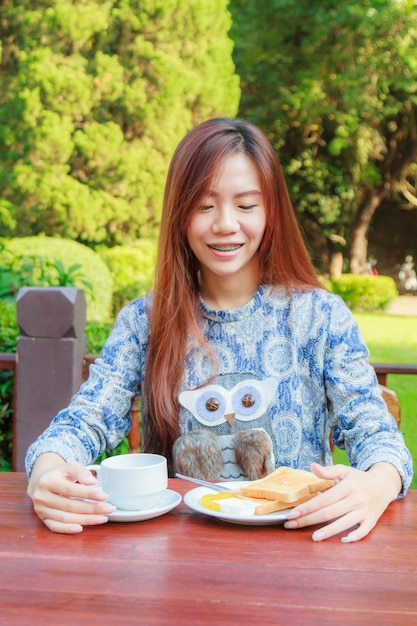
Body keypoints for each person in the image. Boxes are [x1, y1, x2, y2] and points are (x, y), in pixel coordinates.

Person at [26, 117, 413, 541]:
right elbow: (84, 420)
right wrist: (46, 471)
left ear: (271, 212)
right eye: (204, 205)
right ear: (179, 213)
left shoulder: (320, 317)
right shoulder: (145, 322)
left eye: (246, 206)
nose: (225, 223)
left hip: (301, 553)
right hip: (178, 560)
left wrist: (378, 483)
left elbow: (374, 430)